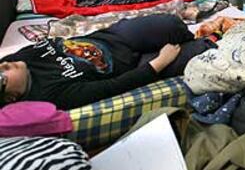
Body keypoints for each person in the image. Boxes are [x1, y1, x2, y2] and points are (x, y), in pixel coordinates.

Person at [0, 15, 199, 110]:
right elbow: (113, 87)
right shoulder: (50, 95)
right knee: (197, 51)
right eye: (2, 76)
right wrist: (160, 62)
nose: (5, 65)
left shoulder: (17, 61)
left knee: (170, 24)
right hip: (129, 65)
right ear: (11, 98)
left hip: (111, 38)